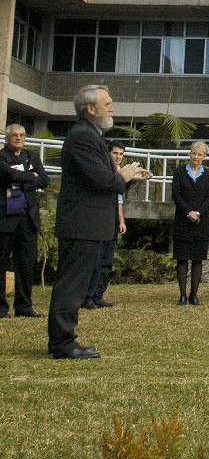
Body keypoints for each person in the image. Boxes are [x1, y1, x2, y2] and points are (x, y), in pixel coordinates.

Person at [48, 85, 149, 359]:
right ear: (90, 109)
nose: (112, 108)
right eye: (108, 103)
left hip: (87, 223)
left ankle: (66, 338)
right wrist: (123, 175)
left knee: (77, 285)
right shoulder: (83, 136)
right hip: (81, 223)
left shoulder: (91, 135)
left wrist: (127, 177)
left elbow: (107, 182)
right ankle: (62, 343)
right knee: (71, 285)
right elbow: (103, 180)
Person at [0, 124, 50, 318]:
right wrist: (30, 176)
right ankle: (2, 308)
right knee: (2, 263)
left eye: (22, 135)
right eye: (14, 135)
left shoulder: (32, 156)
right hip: (6, 219)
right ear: (7, 138)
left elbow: (44, 180)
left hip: (28, 219)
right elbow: (7, 174)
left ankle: (24, 306)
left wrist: (21, 181)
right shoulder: (2, 156)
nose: (19, 138)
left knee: (26, 265)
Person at [82, 140, 129, 310]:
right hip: (100, 219)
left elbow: (119, 201)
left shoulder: (119, 174)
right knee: (96, 260)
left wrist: (121, 221)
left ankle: (98, 295)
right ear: (108, 153)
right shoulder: (104, 173)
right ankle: (88, 297)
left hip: (113, 220)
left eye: (121, 154)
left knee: (106, 261)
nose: (118, 157)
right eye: (115, 153)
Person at [171, 141, 209, 306]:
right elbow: (176, 195)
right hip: (183, 220)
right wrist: (188, 211)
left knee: (198, 259)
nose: (195, 157)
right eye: (193, 153)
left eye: (199, 154)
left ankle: (193, 295)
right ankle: (182, 294)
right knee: (182, 258)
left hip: (201, 222)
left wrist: (198, 213)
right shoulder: (179, 172)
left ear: (204, 157)